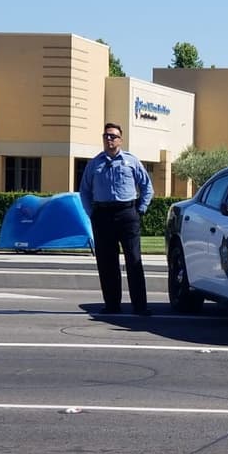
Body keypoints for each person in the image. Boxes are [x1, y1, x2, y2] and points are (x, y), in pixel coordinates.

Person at [79, 123, 153, 316]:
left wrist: (140, 209)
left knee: (134, 260)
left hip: (127, 214)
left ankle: (140, 306)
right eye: (106, 136)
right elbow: (85, 191)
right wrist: (92, 213)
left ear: (120, 139)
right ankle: (112, 305)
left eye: (113, 136)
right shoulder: (94, 164)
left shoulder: (131, 161)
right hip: (102, 215)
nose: (109, 139)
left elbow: (147, 187)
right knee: (106, 262)